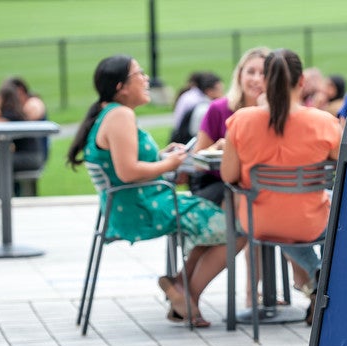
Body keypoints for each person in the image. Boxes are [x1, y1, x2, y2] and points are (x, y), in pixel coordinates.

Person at [66, 54, 241, 328]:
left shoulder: (109, 113)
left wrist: (162, 156)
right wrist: (168, 164)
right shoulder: (120, 114)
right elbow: (127, 172)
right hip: (141, 210)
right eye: (139, 74)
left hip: (131, 205)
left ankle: (181, 287)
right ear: (121, 86)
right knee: (236, 229)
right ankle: (186, 293)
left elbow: (122, 164)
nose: (146, 79)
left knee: (214, 223)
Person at [221, 48, 342, 325]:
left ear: (266, 82)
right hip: (310, 222)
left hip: (259, 222)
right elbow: (342, 162)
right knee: (335, 206)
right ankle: (325, 278)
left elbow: (228, 176)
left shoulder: (242, 121)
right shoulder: (323, 122)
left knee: (285, 214)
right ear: (301, 82)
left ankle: (316, 279)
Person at [192, 47, 269, 206]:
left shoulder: (280, 114)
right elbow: (197, 161)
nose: (257, 79)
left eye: (264, 73)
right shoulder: (219, 109)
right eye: (251, 72)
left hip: (266, 186)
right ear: (240, 75)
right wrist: (220, 148)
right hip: (221, 185)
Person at [170, 71, 223, 144]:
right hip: (186, 140)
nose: (222, 94)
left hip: (178, 135)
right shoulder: (201, 104)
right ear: (209, 91)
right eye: (219, 90)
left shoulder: (191, 94)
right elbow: (197, 132)